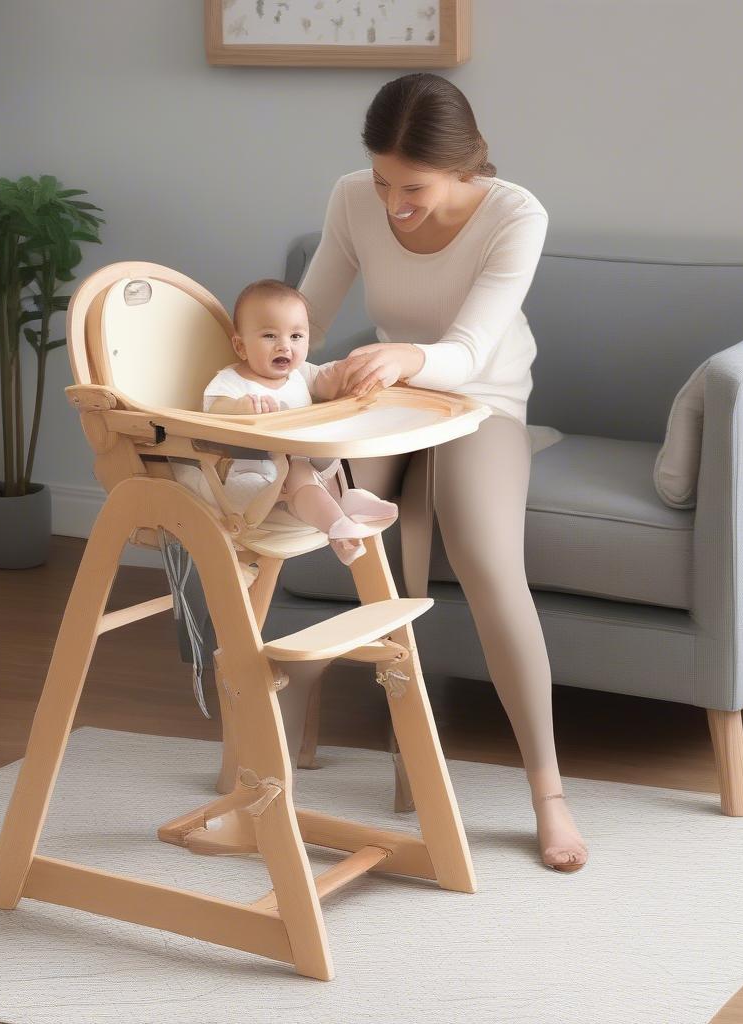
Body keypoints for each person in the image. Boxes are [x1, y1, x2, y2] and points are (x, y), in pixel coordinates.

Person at [295, 72, 589, 873]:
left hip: (480, 398)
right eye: (383, 180)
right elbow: (310, 312)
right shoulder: (353, 197)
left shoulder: (515, 214)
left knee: (489, 563)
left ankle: (548, 794)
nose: (393, 204)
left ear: (465, 169)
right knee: (303, 506)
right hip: (392, 393)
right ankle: (269, 740)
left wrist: (409, 356)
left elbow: (470, 348)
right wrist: (281, 359)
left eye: (413, 187)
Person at [196, 279, 399, 565]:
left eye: (296, 336)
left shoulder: (300, 374)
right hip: (255, 478)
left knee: (326, 444)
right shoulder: (232, 382)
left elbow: (327, 381)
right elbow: (211, 410)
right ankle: (336, 525)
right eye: (269, 336)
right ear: (241, 347)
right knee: (300, 470)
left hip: (303, 471)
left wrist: (350, 374)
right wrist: (240, 408)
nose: (284, 346)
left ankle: (346, 500)